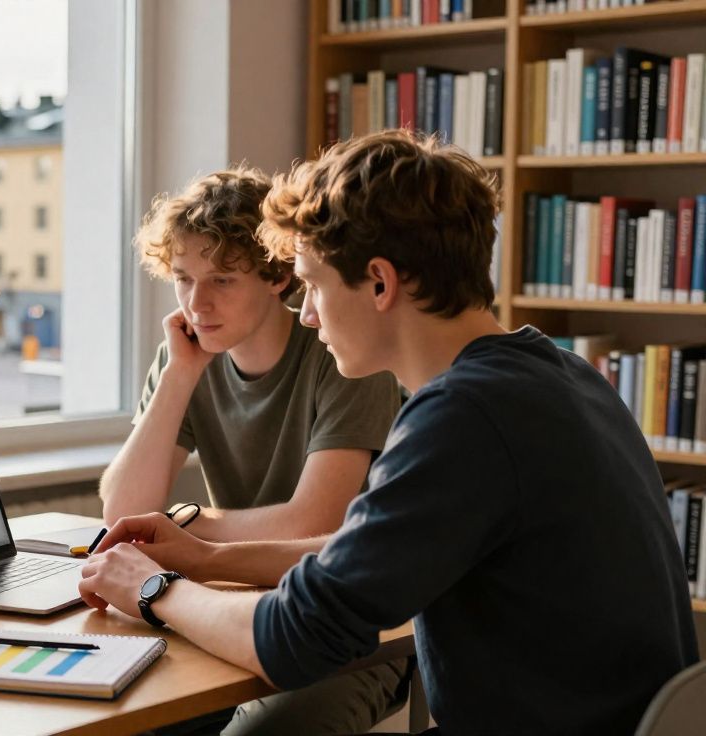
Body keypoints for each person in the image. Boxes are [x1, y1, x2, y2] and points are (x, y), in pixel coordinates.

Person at [80, 130, 698, 735]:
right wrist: (208, 557)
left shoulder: (463, 418)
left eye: (315, 284)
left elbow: (296, 637)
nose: (310, 312)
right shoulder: (555, 374)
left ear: (380, 282)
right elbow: (368, 551)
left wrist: (154, 588)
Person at [100, 165, 403, 735]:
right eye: (184, 279)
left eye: (222, 280)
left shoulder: (342, 355)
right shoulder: (186, 358)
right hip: (228, 607)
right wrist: (178, 378)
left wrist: (187, 532)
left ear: (277, 277)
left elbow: (313, 522)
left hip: (353, 626)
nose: (197, 304)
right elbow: (122, 512)